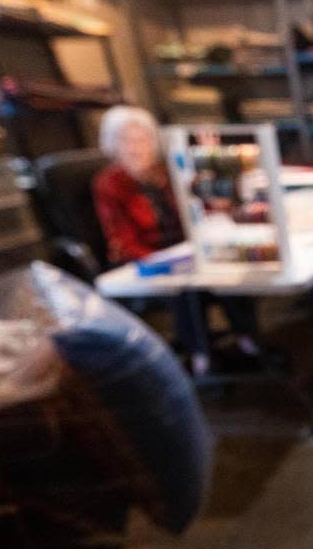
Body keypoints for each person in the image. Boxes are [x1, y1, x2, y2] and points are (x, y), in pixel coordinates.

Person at [92, 105, 260, 375]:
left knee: (229, 266)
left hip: (183, 250)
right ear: (113, 145)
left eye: (142, 139)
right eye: (126, 140)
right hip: (143, 258)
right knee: (186, 287)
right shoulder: (109, 183)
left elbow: (194, 208)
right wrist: (162, 261)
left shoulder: (165, 173)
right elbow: (121, 238)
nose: (136, 147)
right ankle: (201, 358)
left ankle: (247, 337)